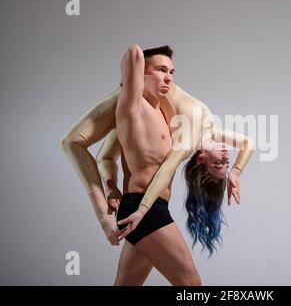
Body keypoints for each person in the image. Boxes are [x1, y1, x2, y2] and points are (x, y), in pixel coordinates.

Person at [60, 44, 255, 285]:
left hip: (146, 207)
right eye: (226, 161)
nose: (226, 155)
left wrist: (115, 192)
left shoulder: (187, 133)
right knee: (192, 286)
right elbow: (248, 142)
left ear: (202, 160)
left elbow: (162, 165)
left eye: (220, 164)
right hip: (145, 209)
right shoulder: (201, 130)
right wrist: (235, 173)